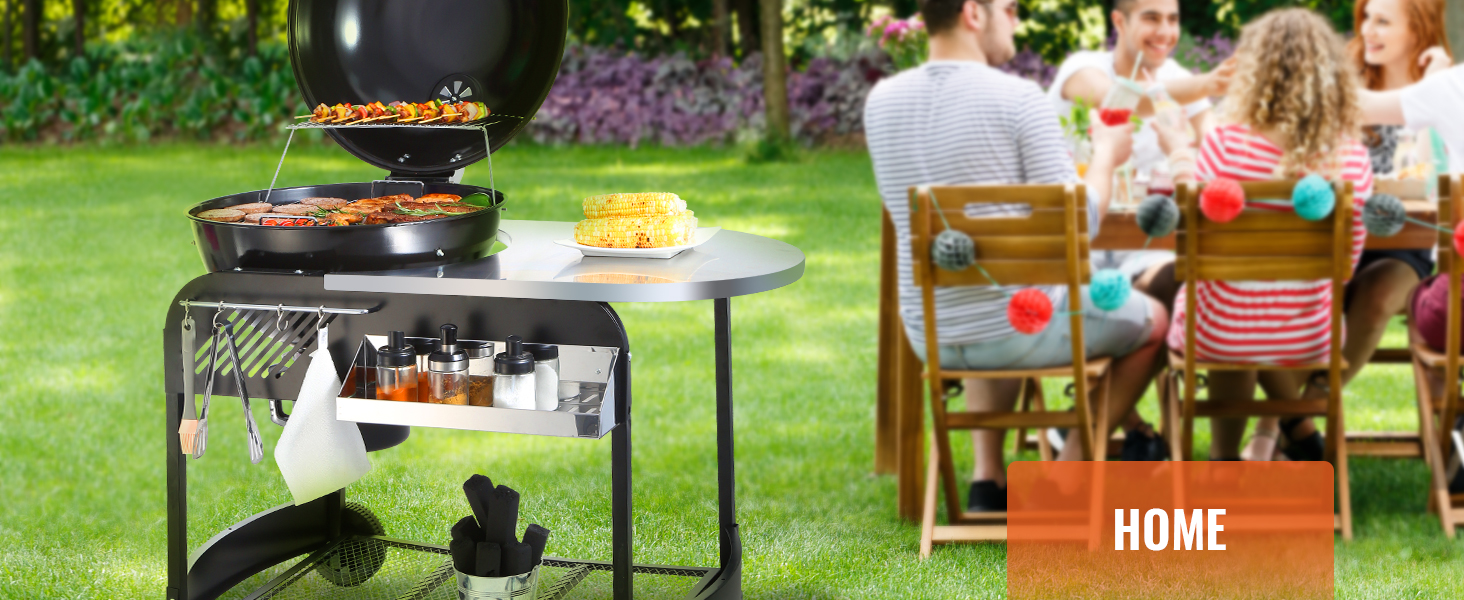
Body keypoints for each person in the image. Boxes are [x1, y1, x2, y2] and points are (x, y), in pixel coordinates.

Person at [864, 0, 1169, 512]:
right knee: (1156, 321)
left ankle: (987, 482)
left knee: (998, 292)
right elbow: (1076, 224)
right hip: (1017, 328)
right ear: (973, 13)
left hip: (931, 334)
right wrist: (1105, 158)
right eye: (1010, 8)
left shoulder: (881, 101)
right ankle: (1066, 475)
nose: (1017, 20)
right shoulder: (1018, 98)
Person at [1244, 0, 1454, 461]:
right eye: (1366, 19)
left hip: (1405, 241)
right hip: (1332, 235)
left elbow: (1429, 172)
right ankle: (1283, 428)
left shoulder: (1440, 88)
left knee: (1378, 296)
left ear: (1417, 28)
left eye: (1383, 21)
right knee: (1268, 295)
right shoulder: (1343, 77)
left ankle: (1299, 413)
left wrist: (1436, 84)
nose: (1368, 31)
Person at [1163, 8, 1373, 462]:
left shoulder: (1224, 145)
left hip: (1217, 332)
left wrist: (1179, 152)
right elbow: (1347, 267)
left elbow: (1195, 232)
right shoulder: (1351, 158)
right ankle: (1296, 426)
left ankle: (1222, 461)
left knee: (1228, 304)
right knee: (1256, 307)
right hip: (1308, 333)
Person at [1046, 0, 1233, 453]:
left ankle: (1085, 422)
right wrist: (1204, 85)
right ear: (1119, 22)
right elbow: (1116, 100)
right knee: (1155, 304)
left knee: (1179, 281)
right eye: (1150, 18)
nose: (1164, 31)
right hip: (1078, 255)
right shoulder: (1083, 68)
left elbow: (1217, 150)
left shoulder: (1179, 80)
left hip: (1148, 250)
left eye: (1172, 19)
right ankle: (1111, 424)